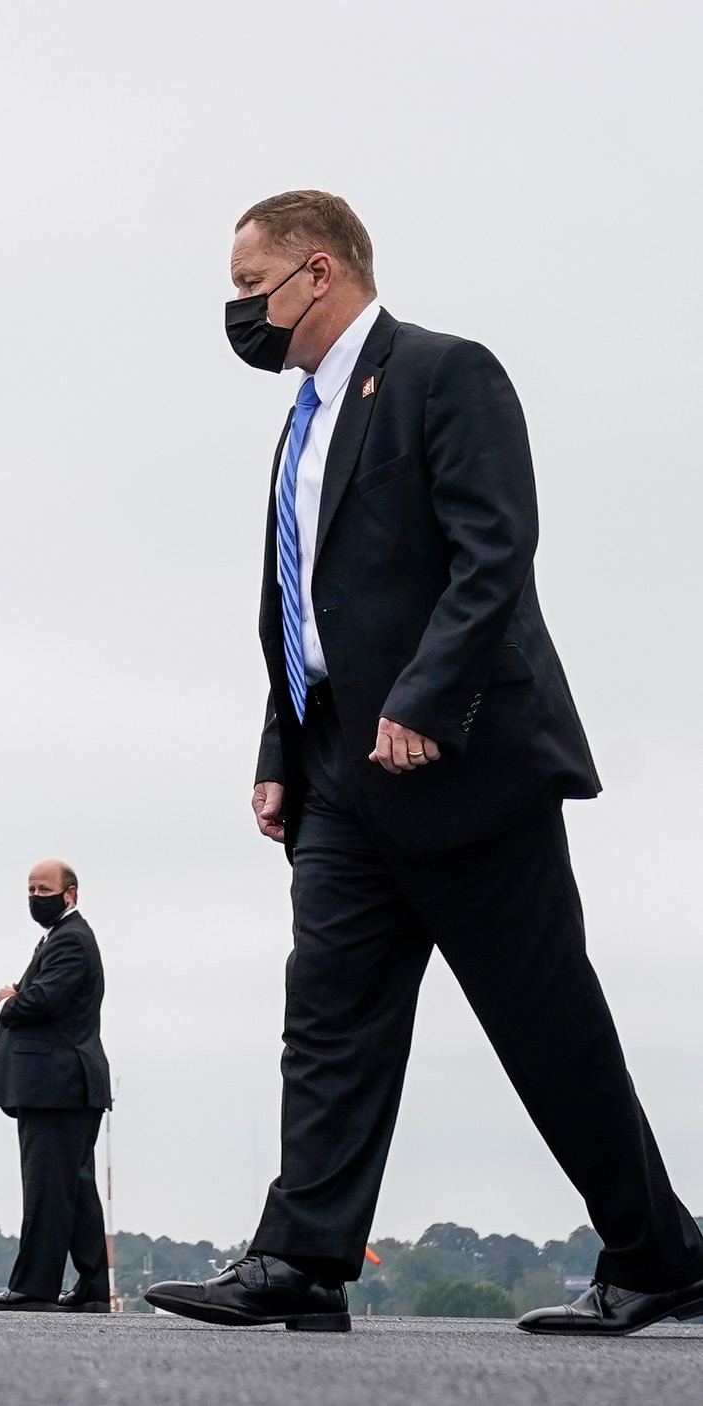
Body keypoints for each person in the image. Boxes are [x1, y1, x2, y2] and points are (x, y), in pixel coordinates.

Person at [144, 191, 703, 1336]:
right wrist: (279, 747)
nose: (239, 312)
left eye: (249, 289)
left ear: (316, 271)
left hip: (461, 764)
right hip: (339, 772)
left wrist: (424, 698)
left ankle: (659, 1256)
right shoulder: (301, 420)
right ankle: (300, 1256)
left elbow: (495, 549)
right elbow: (308, 604)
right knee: (328, 1017)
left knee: (545, 1025)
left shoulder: (447, 373)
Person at [0, 861, 111, 1312]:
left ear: (70, 894)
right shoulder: (61, 938)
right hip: (64, 1086)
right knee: (74, 1188)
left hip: (58, 1085)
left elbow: (41, 1002)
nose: (36, 896)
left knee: (47, 1188)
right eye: (31, 889)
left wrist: (9, 1001)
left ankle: (34, 1288)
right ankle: (93, 1287)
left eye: (45, 888)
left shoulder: (71, 939)